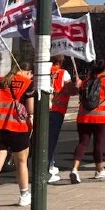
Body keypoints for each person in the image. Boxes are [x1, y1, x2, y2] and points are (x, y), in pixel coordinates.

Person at [0, 62, 33, 210]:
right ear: (27, 71)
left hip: (0, 126)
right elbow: (30, 109)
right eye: (31, 74)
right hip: (19, 127)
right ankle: (24, 195)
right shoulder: (28, 84)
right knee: (21, 163)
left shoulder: (0, 82)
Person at [70, 60, 105, 183]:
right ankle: (99, 169)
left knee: (82, 143)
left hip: (83, 117)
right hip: (100, 118)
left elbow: (81, 96)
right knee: (98, 144)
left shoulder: (85, 82)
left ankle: (75, 169)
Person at [46, 55, 75, 183]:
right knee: (51, 140)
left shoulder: (43, 71)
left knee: (44, 139)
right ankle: (47, 169)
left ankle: (51, 164)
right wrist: (77, 85)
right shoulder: (63, 73)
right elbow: (71, 90)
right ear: (61, 61)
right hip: (57, 110)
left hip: (43, 110)